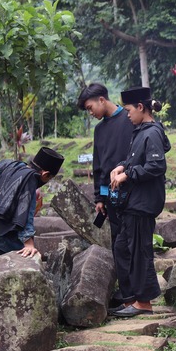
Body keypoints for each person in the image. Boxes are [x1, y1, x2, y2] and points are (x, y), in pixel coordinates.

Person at [108, 87, 171, 318]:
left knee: (139, 251)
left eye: (128, 110)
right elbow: (138, 158)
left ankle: (144, 302)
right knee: (122, 248)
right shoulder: (141, 130)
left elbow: (156, 166)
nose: (126, 114)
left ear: (141, 108)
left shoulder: (151, 132)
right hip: (134, 202)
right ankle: (131, 299)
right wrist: (122, 165)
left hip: (143, 203)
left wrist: (128, 175)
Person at [77, 83, 135, 245]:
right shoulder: (99, 130)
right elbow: (99, 167)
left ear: (101, 100)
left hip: (133, 192)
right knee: (117, 241)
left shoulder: (130, 118)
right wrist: (100, 198)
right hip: (112, 196)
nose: (90, 112)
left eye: (90, 107)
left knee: (134, 241)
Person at [0, 147, 64, 257]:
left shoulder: (11, 165)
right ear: (45, 174)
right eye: (49, 178)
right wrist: (29, 244)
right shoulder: (30, 178)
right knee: (29, 254)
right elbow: (25, 212)